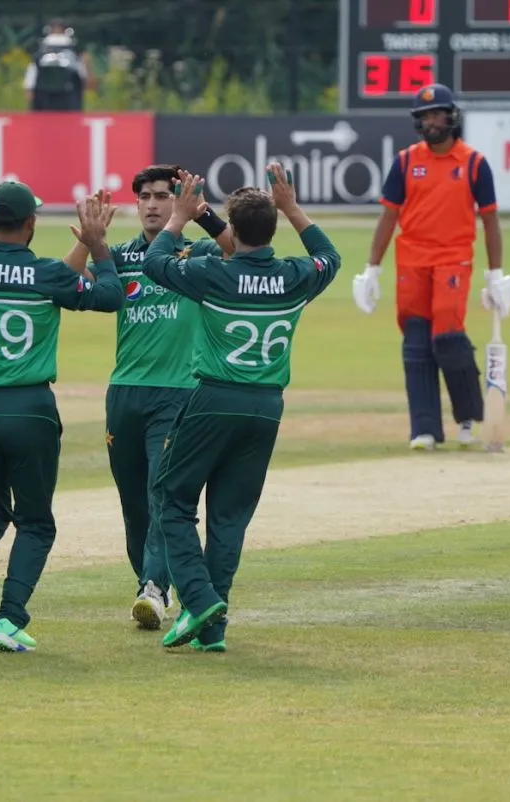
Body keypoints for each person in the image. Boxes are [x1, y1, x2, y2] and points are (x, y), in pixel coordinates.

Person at [141, 164, 342, 652]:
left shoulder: (214, 273)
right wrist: (292, 206)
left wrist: (180, 218)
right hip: (266, 408)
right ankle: (211, 627)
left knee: (171, 498)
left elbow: (154, 263)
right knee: (229, 517)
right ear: (272, 227)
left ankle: (199, 597)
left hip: (214, 398)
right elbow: (328, 256)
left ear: (233, 226)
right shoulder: (297, 276)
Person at [0, 181, 122, 654]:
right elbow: (111, 296)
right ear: (32, 223)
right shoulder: (45, 275)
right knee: (35, 521)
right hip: (29, 408)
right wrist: (98, 245)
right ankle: (8, 620)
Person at [63, 166, 233, 631]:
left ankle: (154, 588)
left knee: (162, 494)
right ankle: (149, 581)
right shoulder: (117, 256)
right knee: (133, 502)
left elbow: (240, 250)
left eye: (163, 196)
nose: (154, 204)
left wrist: (203, 216)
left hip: (178, 394)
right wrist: (90, 239)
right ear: (135, 204)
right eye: (146, 197)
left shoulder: (194, 252)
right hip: (124, 393)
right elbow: (64, 282)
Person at [353, 83, 510, 451]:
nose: (430, 121)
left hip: (453, 259)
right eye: (424, 116)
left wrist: (496, 273)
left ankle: (466, 417)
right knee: (415, 341)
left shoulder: (474, 163)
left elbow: (490, 221)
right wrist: (372, 269)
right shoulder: (407, 161)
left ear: (451, 117)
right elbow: (388, 216)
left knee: (446, 335)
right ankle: (424, 428)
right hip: (411, 260)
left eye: (436, 114)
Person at [24, 20, 94, 111]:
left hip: (44, 98)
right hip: (68, 98)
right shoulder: (73, 53)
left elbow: (32, 74)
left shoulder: (40, 53)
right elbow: (83, 77)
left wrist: (29, 90)